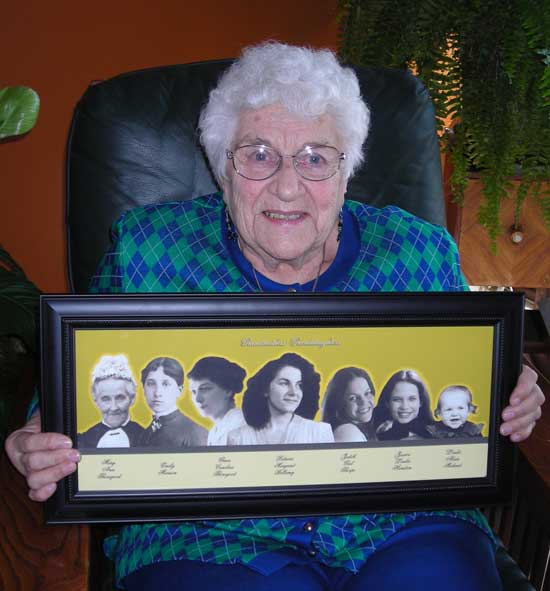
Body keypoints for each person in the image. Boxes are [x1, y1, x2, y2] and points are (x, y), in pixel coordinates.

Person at [5, 42, 544, 591]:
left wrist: (511, 383)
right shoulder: (152, 248)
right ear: (223, 167)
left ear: (346, 169)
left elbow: (470, 365)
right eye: (259, 154)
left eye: (315, 157)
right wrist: (37, 430)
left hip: (402, 518)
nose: (287, 186)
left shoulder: (418, 252)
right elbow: (75, 370)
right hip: (207, 532)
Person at [227, 352, 333, 445]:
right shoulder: (238, 438)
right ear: (265, 389)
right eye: (284, 383)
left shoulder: (320, 432)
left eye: (299, 385)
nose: (293, 392)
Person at [78, 354, 145, 448]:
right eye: (106, 399)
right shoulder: (83, 440)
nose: (113, 408)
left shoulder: (146, 438)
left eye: (120, 398)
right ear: (96, 400)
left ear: (132, 398)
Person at [140, 357, 207, 447]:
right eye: (151, 383)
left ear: (179, 390)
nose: (157, 393)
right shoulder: (145, 433)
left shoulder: (195, 433)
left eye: (166, 384)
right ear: (143, 389)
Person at [187, 356, 247, 445]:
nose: (197, 399)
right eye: (193, 391)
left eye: (205, 389)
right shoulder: (214, 431)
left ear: (227, 390)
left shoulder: (241, 427)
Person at [373, 369, 434, 440]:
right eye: (397, 399)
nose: (404, 407)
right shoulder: (374, 434)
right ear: (387, 403)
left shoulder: (436, 434)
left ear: (421, 402)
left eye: (411, 399)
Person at [321, 367, 376, 442]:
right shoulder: (348, 433)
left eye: (367, 393)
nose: (364, 402)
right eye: (353, 398)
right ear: (340, 403)